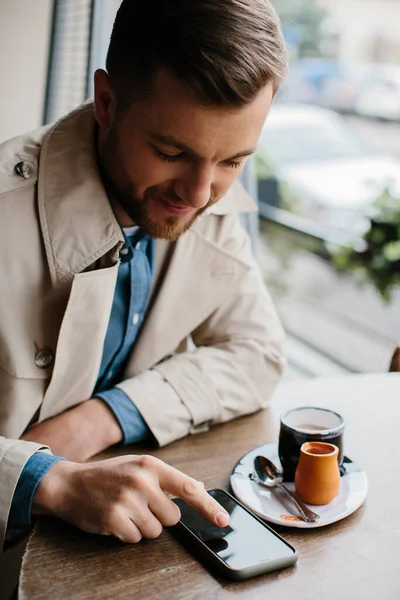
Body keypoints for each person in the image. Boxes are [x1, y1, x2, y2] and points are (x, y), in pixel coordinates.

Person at [0, 0, 287, 568]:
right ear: (107, 103)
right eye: (171, 152)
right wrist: (46, 480)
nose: (200, 195)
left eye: (233, 161)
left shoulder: (202, 203)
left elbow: (258, 352)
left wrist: (104, 417)